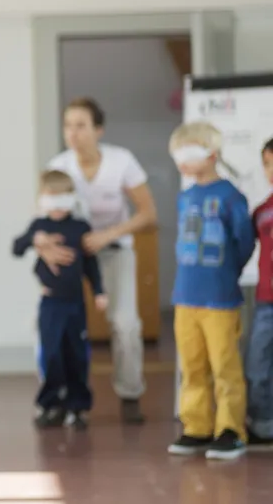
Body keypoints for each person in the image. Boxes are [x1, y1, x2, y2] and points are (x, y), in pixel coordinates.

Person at [39, 97, 157, 424]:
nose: (73, 133)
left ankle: (130, 392)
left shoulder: (122, 161)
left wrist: (108, 234)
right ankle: (57, 397)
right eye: (67, 126)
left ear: (98, 130)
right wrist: (44, 247)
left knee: (125, 324)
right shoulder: (59, 167)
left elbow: (148, 213)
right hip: (73, 257)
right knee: (55, 325)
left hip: (115, 250)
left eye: (81, 125)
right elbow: (40, 223)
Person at [166, 121, 255, 460]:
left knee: (224, 365)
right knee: (192, 364)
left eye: (189, 153)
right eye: (177, 155)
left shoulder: (231, 196)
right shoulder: (185, 196)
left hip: (220, 298)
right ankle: (197, 426)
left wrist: (228, 272)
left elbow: (244, 242)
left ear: (212, 154)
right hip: (185, 297)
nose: (182, 161)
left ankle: (230, 428)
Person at [13, 170, 106, 430]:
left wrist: (99, 291)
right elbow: (16, 248)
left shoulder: (80, 228)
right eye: (51, 198)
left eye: (62, 198)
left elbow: (91, 264)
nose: (56, 205)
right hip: (50, 304)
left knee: (77, 355)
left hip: (75, 303)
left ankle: (78, 407)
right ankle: (50, 403)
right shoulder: (39, 226)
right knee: (51, 354)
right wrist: (36, 240)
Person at [246, 137, 273, 449]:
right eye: (267, 164)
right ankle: (263, 425)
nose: (271, 170)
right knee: (258, 363)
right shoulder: (262, 211)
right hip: (266, 300)